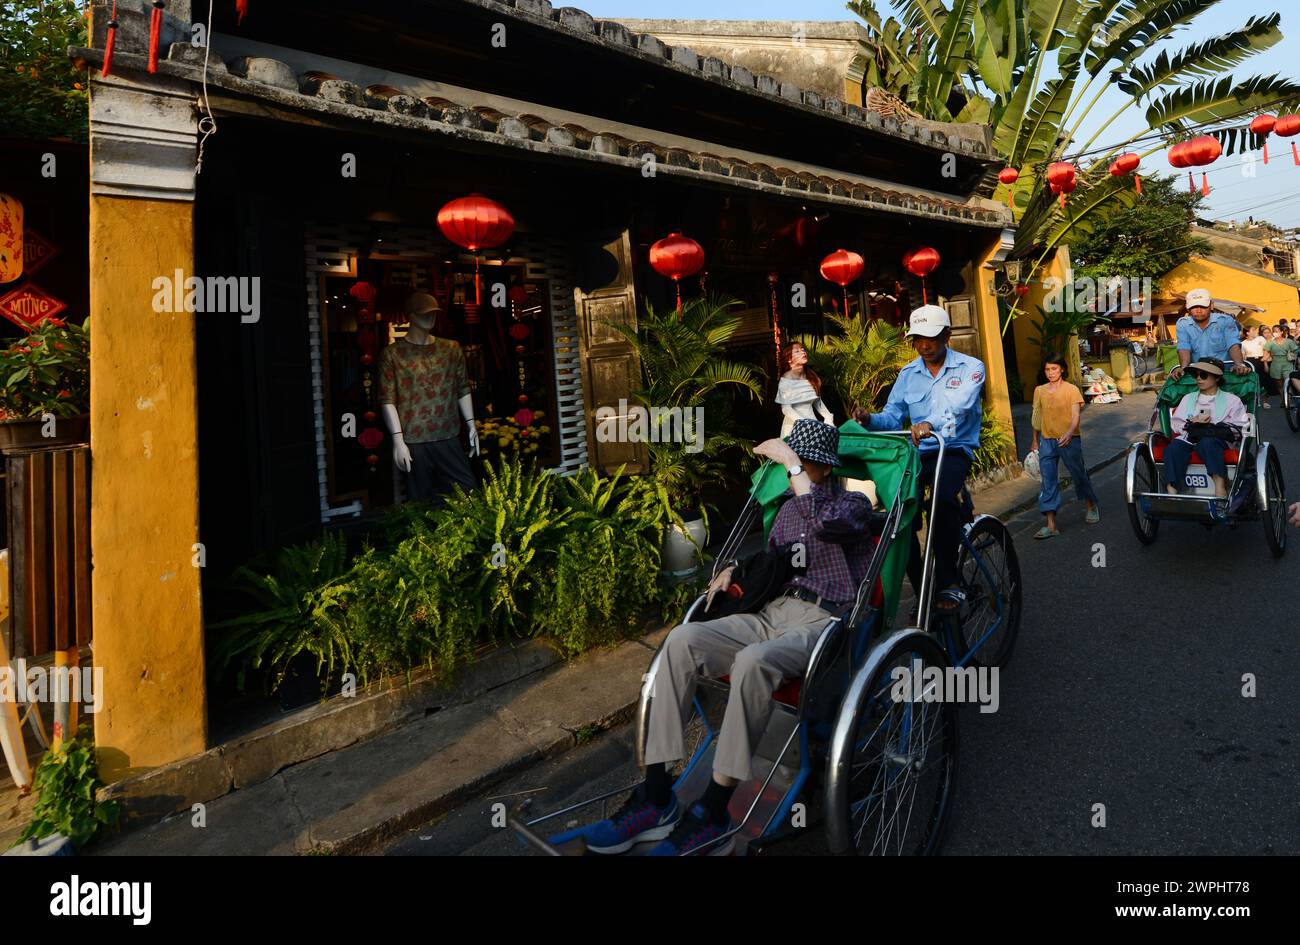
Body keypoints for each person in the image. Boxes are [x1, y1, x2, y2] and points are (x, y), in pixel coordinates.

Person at [571, 420, 874, 856]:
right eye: (794, 463)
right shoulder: (787, 511)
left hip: (820, 620)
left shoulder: (852, 505)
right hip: (772, 613)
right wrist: (734, 569)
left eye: (803, 463)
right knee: (682, 640)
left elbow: (826, 527)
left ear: (822, 469)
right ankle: (657, 795)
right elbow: (772, 565)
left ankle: (714, 811)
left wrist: (790, 464)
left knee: (754, 660)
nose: (794, 472)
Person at [853, 304, 984, 615]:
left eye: (931, 338)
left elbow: (961, 406)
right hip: (916, 454)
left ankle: (949, 581)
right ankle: (924, 587)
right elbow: (892, 416)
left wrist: (929, 424)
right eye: (918, 339)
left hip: (953, 449)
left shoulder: (971, 367)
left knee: (940, 499)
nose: (924, 345)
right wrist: (869, 418)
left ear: (947, 335)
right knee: (897, 515)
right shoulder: (908, 374)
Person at [1030, 355, 1099, 538]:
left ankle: (1091, 505)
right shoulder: (1039, 391)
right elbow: (1036, 418)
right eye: (1047, 369)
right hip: (1047, 441)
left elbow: (1076, 416)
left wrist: (1069, 433)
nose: (1050, 373)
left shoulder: (1071, 390)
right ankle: (1051, 525)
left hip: (1069, 439)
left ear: (1061, 369)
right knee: (1048, 480)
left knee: (1078, 474)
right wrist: (1034, 440)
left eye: (1054, 369)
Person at [1162, 358, 1247, 498]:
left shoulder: (1232, 400)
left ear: (1217, 378)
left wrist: (1213, 426)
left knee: (1208, 443)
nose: (1199, 379)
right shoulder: (1188, 398)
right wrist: (1190, 424)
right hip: (1190, 437)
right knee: (1174, 447)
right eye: (1196, 375)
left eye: (1204, 375)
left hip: (1217, 440)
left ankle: (1219, 486)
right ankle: (1172, 489)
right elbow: (1176, 423)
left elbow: (1240, 426)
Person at [1170, 288, 1250, 380]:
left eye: (1203, 306)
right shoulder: (1182, 324)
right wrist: (1183, 368)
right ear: (1187, 308)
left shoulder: (1225, 321)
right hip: (1198, 375)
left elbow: (1233, 344)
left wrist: (1239, 364)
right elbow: (1184, 347)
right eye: (1194, 307)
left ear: (1211, 306)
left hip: (1225, 373)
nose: (1198, 310)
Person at [774, 341, 833, 437]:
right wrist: (805, 423)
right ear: (789, 359)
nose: (803, 352)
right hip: (794, 428)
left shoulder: (811, 377)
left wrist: (828, 417)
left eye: (803, 350)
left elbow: (817, 402)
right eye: (797, 351)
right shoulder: (786, 380)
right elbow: (786, 409)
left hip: (813, 425)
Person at [1264, 324, 1296, 408]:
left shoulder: (1289, 341)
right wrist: (1265, 365)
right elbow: (1266, 354)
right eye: (1273, 331)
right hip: (1275, 364)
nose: (1275, 333)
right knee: (1279, 384)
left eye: (1277, 331)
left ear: (1281, 332)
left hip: (1287, 363)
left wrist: (1292, 354)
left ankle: (1289, 401)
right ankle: (1283, 401)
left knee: (1287, 381)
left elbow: (1295, 350)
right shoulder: (1270, 343)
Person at [1241, 324, 1269, 405]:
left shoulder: (1260, 339)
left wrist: (1265, 363)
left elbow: (1266, 351)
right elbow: (1243, 356)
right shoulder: (1243, 343)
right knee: (1253, 381)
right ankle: (1254, 400)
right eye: (1253, 330)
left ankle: (1265, 401)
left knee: (1264, 381)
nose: (1255, 331)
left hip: (1261, 360)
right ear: (1247, 333)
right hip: (1250, 362)